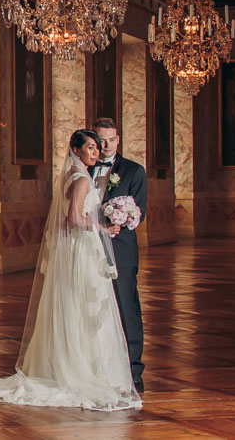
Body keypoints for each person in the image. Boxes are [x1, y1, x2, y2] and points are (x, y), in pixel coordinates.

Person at [0, 129, 142, 411]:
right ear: (76, 149)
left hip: (74, 249)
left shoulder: (70, 176)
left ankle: (66, 363)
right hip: (83, 248)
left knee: (74, 304)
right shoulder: (82, 178)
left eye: (97, 148)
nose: (96, 152)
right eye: (90, 148)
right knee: (89, 306)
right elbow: (74, 218)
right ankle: (85, 369)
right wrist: (103, 227)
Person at [92, 116, 148, 391]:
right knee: (92, 309)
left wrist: (119, 221)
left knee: (127, 309)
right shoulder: (84, 169)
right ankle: (97, 366)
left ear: (118, 140)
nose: (105, 145)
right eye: (100, 139)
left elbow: (139, 213)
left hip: (121, 251)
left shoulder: (134, 170)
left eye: (110, 139)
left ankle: (134, 370)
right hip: (88, 250)